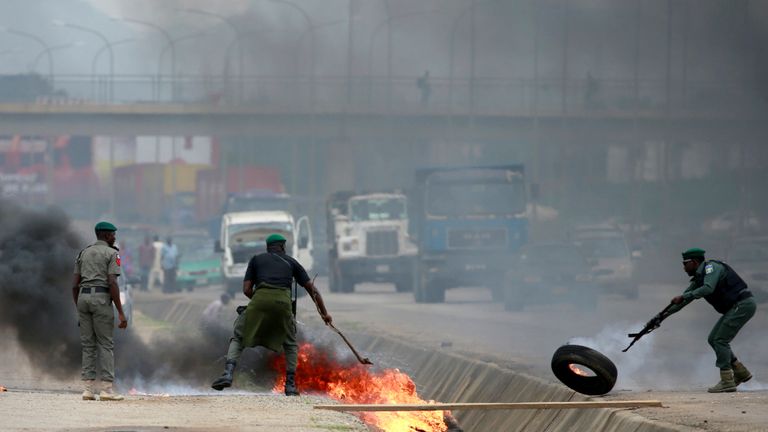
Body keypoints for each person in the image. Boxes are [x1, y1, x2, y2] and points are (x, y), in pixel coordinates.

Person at [210, 233, 333, 395]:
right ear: (283, 246)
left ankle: (227, 374)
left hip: (259, 299)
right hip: (283, 303)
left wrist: (260, 302)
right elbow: (312, 290)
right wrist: (324, 314)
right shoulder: (292, 262)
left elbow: (246, 290)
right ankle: (289, 385)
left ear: (268, 248)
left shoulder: (256, 260)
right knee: (290, 344)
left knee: (238, 337)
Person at [664, 248, 756, 393]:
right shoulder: (700, 277)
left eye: (685, 263)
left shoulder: (711, 268)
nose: (683, 268)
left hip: (742, 304)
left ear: (694, 262)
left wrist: (684, 297)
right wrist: (660, 318)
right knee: (713, 339)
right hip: (736, 307)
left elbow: (708, 289)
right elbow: (684, 300)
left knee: (720, 340)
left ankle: (727, 381)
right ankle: (740, 372)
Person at [71, 221, 128, 401]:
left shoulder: (84, 253)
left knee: (88, 345)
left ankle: (87, 390)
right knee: (105, 344)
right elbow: (112, 282)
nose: (114, 237)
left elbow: (74, 285)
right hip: (101, 298)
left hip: (83, 299)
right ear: (105, 235)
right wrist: (120, 311)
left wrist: (79, 307)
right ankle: (106, 390)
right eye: (112, 234)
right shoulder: (112, 253)